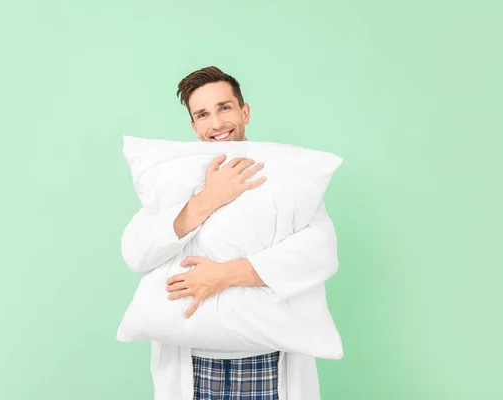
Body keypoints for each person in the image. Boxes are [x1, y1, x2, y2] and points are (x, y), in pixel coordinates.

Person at [121, 66, 340, 400]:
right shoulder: (174, 179)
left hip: (268, 363)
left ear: (244, 111)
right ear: (194, 126)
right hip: (192, 366)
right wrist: (208, 199)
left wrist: (223, 275)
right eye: (203, 114)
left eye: (224, 108)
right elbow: (137, 253)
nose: (217, 123)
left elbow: (318, 252)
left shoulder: (285, 177)